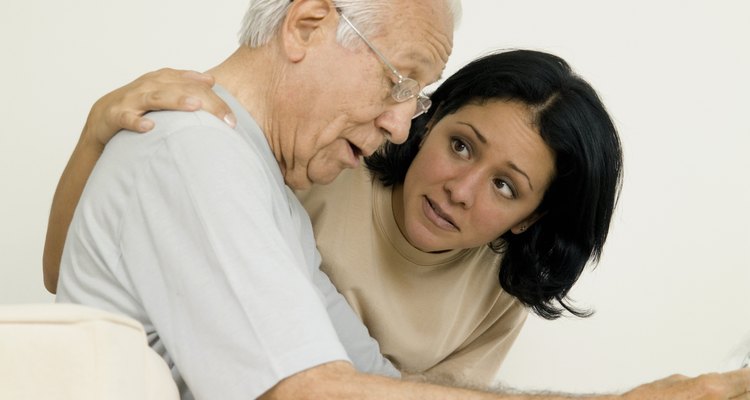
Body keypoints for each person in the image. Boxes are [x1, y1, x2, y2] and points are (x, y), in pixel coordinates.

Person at [46, 1, 750, 399]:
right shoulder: (198, 153)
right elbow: (312, 396)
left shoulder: (266, 190)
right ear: (308, 23)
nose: (400, 122)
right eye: (398, 80)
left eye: (415, 93)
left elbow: (370, 382)